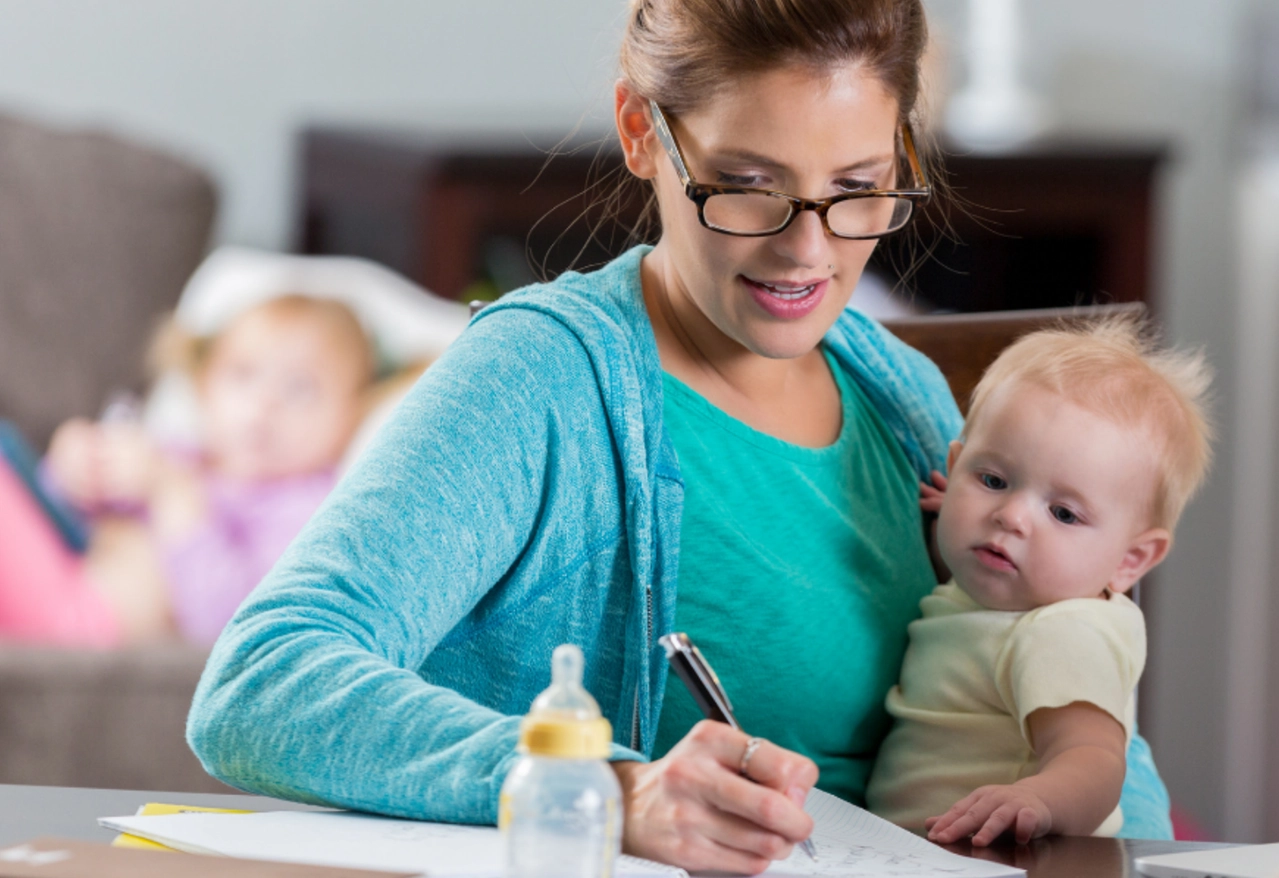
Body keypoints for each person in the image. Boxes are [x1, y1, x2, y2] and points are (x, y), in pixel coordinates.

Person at [186, 0, 1177, 872]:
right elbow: (262, 678)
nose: (807, 249)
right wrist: (610, 790)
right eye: (748, 184)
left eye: (860, 186)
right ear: (640, 130)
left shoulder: (905, 397)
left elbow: (1067, 690)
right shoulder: (543, 380)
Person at [865, 317, 1212, 844]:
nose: (1012, 517)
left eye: (1064, 514)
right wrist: (958, 508)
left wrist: (1038, 801)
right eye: (993, 480)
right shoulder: (1009, 594)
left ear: (1131, 559)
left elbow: (1092, 758)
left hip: (1006, 857)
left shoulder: (1060, 633)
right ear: (954, 469)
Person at [0, 295, 375, 646]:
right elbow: (67, 514)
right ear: (203, 387)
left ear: (351, 415)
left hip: (82, 627)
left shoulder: (308, 510)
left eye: (300, 388)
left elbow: (230, 624)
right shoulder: (180, 454)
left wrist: (175, 496)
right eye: (243, 375)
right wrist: (73, 472)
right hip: (72, 576)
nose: (266, 403)